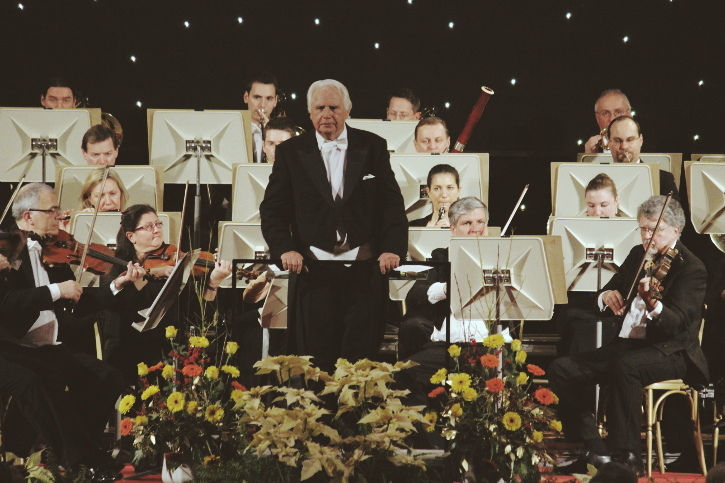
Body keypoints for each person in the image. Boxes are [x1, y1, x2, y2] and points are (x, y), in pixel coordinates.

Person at [549, 195, 708, 476]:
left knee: (627, 367)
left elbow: (676, 324)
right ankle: (594, 448)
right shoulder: (638, 254)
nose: (648, 237)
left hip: (670, 352)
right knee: (562, 369)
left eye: (655, 231)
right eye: (644, 229)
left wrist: (653, 303)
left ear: (675, 230)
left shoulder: (691, 268)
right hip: (626, 346)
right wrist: (605, 296)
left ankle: (628, 455)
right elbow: (608, 293)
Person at [260, 79, 408, 372]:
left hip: (364, 273)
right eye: (319, 108)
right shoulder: (291, 152)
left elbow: (391, 205)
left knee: (361, 361)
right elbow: (273, 210)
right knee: (315, 363)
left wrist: (392, 249)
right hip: (313, 274)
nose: (327, 114)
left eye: (334, 107)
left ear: (348, 110)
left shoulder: (373, 146)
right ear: (309, 112)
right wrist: (285, 249)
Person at [0, 183, 131, 481]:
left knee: (107, 378)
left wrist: (114, 285)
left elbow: (76, 297)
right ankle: (77, 459)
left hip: (43, 347)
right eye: (53, 210)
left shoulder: (52, 248)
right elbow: (7, 304)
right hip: (11, 347)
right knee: (39, 381)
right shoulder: (5, 253)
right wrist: (55, 290)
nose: (60, 216)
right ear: (29, 217)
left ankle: (77, 451)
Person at [100, 204, 231, 383]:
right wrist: (152, 273)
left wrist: (213, 282)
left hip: (170, 346)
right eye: (148, 227)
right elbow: (122, 304)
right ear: (131, 236)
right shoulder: (117, 267)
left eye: (158, 224)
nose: (156, 230)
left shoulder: (175, 262)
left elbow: (200, 316)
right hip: (128, 345)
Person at [397, 197, 495, 361]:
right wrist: (446, 289)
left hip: (489, 343)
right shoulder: (441, 257)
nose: (476, 228)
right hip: (445, 344)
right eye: (467, 223)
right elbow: (415, 296)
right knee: (408, 370)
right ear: (453, 229)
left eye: (480, 222)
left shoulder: (500, 258)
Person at [607, 115, 679, 200]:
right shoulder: (598, 179)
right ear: (609, 142)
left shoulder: (663, 179)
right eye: (617, 140)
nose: (624, 146)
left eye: (630, 139)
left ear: (641, 140)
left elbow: (674, 212)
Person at [244, 72, 280, 163]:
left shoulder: (283, 134)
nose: (262, 105)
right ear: (246, 97)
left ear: (275, 101)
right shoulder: (235, 130)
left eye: (269, 99)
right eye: (257, 97)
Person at [584, 89, 631, 154]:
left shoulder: (647, 146)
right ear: (597, 118)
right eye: (605, 113)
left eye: (618, 112)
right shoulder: (587, 149)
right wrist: (588, 160)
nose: (612, 119)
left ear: (629, 114)